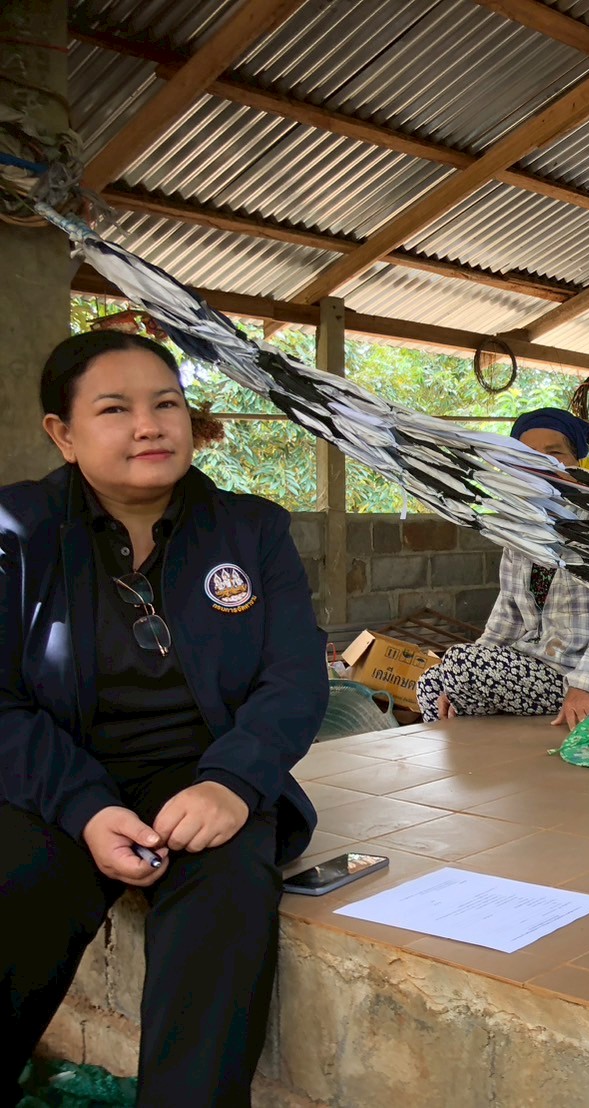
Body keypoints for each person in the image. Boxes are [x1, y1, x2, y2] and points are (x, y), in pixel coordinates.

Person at [0, 331, 328, 1106]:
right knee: (19, 890)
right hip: (62, 775)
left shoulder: (251, 528)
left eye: (166, 404)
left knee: (229, 896)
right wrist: (84, 808)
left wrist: (235, 784)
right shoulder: (19, 531)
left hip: (205, 776)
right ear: (64, 433)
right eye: (115, 409)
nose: (149, 425)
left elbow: (294, 678)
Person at [416, 407, 589, 730]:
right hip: (536, 667)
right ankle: (472, 762)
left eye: (555, 454)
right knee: (431, 683)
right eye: (528, 455)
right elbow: (506, 616)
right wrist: (457, 682)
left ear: (576, 463)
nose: (541, 464)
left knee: (458, 664)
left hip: (582, 676)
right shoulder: (521, 530)